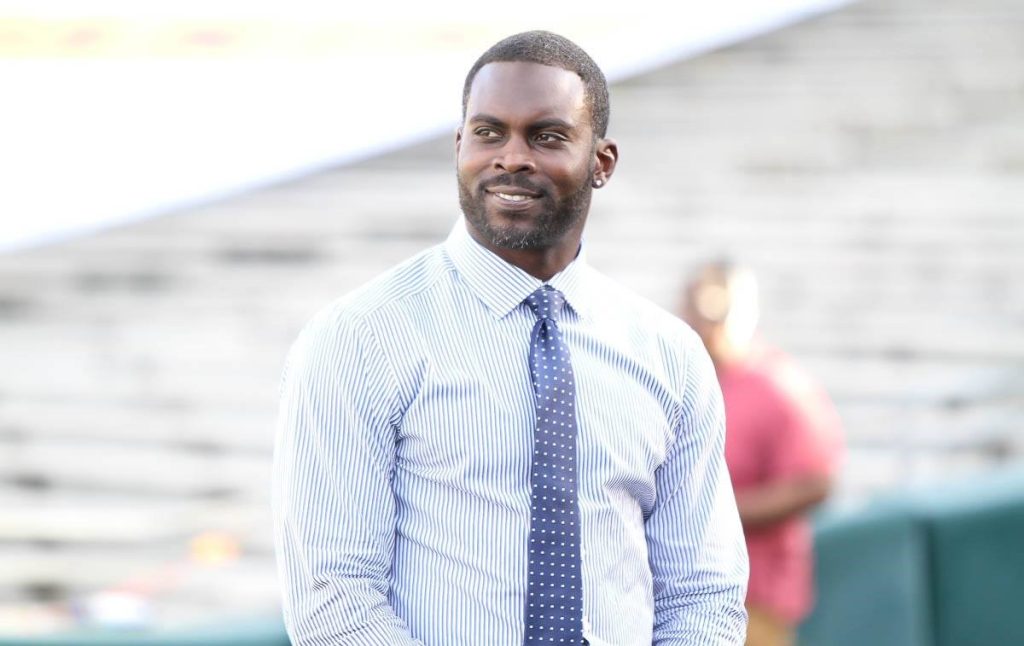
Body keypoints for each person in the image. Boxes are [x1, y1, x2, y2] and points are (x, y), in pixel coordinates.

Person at [273, 31, 748, 645]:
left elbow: (703, 592)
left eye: (547, 136)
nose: (511, 157)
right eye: (489, 132)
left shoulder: (670, 356)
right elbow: (332, 596)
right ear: (459, 146)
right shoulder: (358, 340)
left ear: (601, 162)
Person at [682, 261, 844, 646]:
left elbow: (816, 483)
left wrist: (718, 512)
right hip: (682, 593)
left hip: (753, 598)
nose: (709, 324)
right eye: (699, 308)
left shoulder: (780, 387)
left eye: (719, 309)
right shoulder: (681, 376)